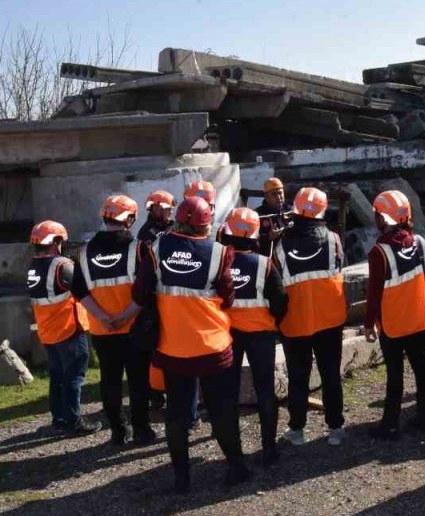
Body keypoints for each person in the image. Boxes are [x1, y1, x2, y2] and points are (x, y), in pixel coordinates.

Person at [133, 195, 248, 492]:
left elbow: (139, 294)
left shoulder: (155, 247)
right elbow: (228, 296)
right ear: (206, 223)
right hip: (213, 346)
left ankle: (181, 478)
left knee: (177, 413)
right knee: (222, 410)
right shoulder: (220, 252)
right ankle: (236, 467)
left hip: (173, 347)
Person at [72, 194, 155, 448]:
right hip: (134, 328)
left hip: (101, 329)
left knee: (109, 381)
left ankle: (118, 433)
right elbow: (147, 289)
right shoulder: (139, 248)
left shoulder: (84, 252)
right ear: (129, 219)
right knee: (139, 382)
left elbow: (80, 291)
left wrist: (103, 318)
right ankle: (142, 432)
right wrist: (124, 316)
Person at [276, 187, 348, 447]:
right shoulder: (333, 238)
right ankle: (336, 428)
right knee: (330, 374)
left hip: (296, 321)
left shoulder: (280, 242)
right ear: (322, 210)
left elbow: (275, 282)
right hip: (330, 318)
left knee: (298, 376)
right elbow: (340, 267)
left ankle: (296, 430)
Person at [220, 206, 288, 465]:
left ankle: (234, 454)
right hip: (262, 335)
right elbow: (280, 300)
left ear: (228, 234)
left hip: (228, 336)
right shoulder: (264, 265)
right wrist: (274, 320)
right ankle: (269, 449)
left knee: (228, 393)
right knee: (265, 391)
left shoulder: (219, 262)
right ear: (255, 236)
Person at [364, 190, 425, 439]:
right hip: (418, 318)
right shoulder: (418, 242)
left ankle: (391, 424)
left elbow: (374, 293)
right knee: (421, 367)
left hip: (393, 323)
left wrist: (368, 323)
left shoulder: (378, 252)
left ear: (383, 218)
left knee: (395, 373)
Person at [26, 220, 98, 436]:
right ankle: (74, 421)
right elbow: (83, 289)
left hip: (48, 331)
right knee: (74, 376)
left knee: (57, 376)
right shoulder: (62, 265)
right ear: (55, 241)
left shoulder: (33, 266)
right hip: (68, 329)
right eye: (61, 241)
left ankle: (59, 418)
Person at [133, 190, 176, 409]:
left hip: (171, 291)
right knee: (156, 345)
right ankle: (156, 393)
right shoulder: (146, 234)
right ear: (156, 208)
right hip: (155, 295)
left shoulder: (173, 227)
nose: (170, 213)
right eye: (167, 209)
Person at [256, 177, 293, 257]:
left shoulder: (291, 211)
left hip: (290, 256)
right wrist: (268, 237)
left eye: (280, 193)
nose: (278, 197)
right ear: (266, 197)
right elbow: (251, 241)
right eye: (274, 194)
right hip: (268, 258)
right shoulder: (258, 215)